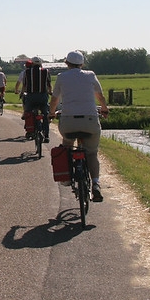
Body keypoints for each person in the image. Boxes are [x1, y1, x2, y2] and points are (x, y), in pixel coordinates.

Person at [48, 50, 109, 202]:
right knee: (92, 153)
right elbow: (100, 96)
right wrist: (104, 108)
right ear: (82, 64)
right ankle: (95, 184)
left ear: (67, 63)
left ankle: (67, 178)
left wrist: (51, 113)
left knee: (67, 145)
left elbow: (55, 98)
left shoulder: (62, 77)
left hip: (69, 122)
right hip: (90, 121)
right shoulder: (90, 75)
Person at [14, 57, 52, 141]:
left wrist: (21, 93)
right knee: (45, 114)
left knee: (28, 113)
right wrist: (50, 91)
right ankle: (46, 135)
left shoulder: (27, 72)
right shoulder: (46, 71)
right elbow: (49, 85)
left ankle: (30, 130)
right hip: (42, 97)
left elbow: (24, 86)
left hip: (31, 97)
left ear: (33, 63)